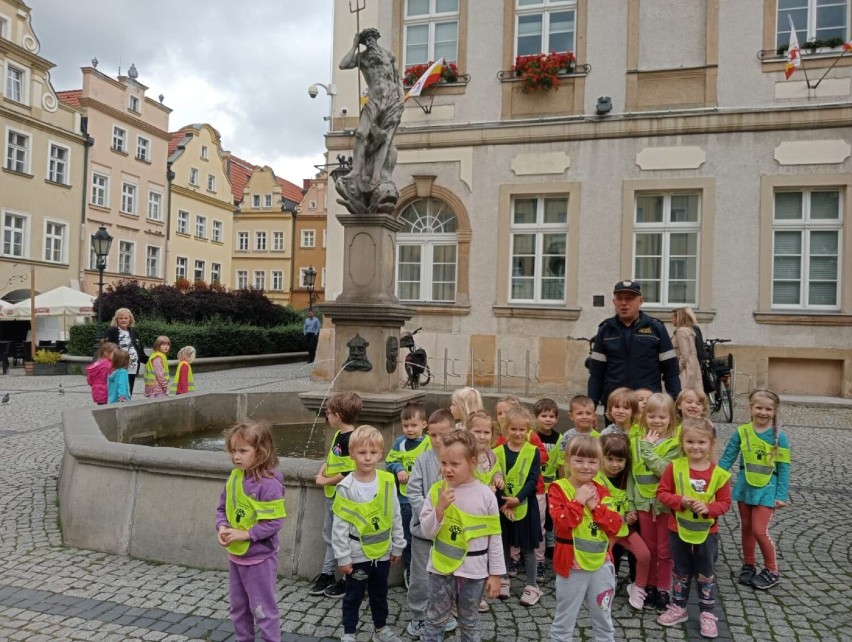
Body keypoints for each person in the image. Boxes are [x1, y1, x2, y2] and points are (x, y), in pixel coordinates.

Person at [420, 429, 506, 642]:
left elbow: (494, 537)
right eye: (444, 463)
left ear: (472, 462)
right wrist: (439, 509)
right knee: (435, 618)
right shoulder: (436, 491)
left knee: (469, 620)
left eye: (454, 464)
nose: (447, 469)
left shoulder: (486, 495)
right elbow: (427, 531)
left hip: (474, 572)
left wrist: (495, 574)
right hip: (440, 569)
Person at [656, 417, 732, 638]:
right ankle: (679, 607)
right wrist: (680, 501)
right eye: (690, 442)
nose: (695, 447)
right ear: (682, 443)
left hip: (707, 533)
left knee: (705, 572)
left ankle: (707, 613)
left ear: (711, 445)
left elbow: (725, 503)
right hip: (677, 529)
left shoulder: (719, 474)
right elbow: (662, 493)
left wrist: (708, 508)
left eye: (701, 442)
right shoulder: (675, 467)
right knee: (680, 570)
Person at [332, 425, 405, 642]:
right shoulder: (346, 486)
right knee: (353, 596)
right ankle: (349, 633)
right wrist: (343, 557)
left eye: (373, 453)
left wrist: (398, 545)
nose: (368, 458)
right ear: (352, 453)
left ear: (380, 453)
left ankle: (380, 629)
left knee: (379, 595)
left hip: (382, 553)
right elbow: (340, 527)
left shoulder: (387, 481)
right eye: (362, 453)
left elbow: (395, 515)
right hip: (357, 554)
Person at [215, 420, 286, 642]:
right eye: (233, 451)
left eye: (243, 451)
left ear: (261, 452)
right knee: (238, 608)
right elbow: (222, 508)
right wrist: (222, 527)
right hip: (237, 556)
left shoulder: (269, 484)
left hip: (260, 560)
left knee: (263, 610)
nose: (236, 456)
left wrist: (246, 534)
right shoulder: (235, 477)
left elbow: (274, 522)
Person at [548, 435, 622, 642]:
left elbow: (615, 525)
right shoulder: (558, 488)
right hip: (572, 567)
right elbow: (562, 523)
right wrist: (578, 501)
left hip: (601, 565)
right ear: (568, 461)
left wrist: (594, 507)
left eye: (592, 461)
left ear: (599, 464)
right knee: (565, 619)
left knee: (603, 618)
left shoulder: (602, 490)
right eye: (579, 460)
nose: (586, 466)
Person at [719, 388, 790, 591]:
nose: (763, 412)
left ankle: (772, 570)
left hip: (768, 489)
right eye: (759, 407)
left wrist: (781, 495)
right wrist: (713, 479)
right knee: (747, 528)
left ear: (775, 411)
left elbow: (784, 468)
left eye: (768, 409)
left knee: (759, 530)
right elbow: (727, 459)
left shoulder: (779, 437)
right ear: (751, 408)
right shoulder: (742, 432)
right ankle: (749, 564)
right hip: (745, 487)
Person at [336, 28, 405, 216]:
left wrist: (401, 100)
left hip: (391, 101)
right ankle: (356, 171)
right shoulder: (363, 58)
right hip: (374, 100)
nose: (371, 41)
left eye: (373, 38)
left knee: (386, 141)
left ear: (377, 38)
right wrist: (354, 45)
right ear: (364, 41)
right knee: (361, 134)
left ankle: (376, 177)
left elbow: (397, 79)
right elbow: (343, 64)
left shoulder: (388, 55)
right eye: (367, 39)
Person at [405, 409, 459, 637]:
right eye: (433, 435)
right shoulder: (423, 459)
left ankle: (443, 613)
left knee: (447, 576)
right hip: (423, 534)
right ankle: (419, 615)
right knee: (420, 578)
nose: (438, 440)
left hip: (449, 532)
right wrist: (427, 516)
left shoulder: (459, 459)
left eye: (443, 434)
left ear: (454, 432)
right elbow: (413, 490)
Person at [588, 280, 681, 409]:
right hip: (616, 404)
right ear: (614, 302)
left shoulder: (656, 329)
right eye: (619, 298)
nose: (624, 303)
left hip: (647, 404)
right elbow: (596, 373)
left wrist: (675, 403)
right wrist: (591, 405)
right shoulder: (605, 330)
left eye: (629, 298)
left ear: (641, 301)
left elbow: (671, 371)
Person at [630, 392, 680, 611]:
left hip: (664, 505)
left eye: (662, 417)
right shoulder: (635, 442)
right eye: (651, 416)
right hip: (642, 503)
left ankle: (663, 588)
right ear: (644, 417)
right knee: (649, 549)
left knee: (664, 550)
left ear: (671, 418)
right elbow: (632, 477)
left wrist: (648, 449)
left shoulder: (675, 445)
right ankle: (648, 586)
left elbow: (663, 471)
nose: (656, 421)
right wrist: (631, 504)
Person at [311, 392, 362, 599]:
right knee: (331, 534)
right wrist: (323, 469)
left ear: (339, 415)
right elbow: (332, 457)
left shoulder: (352, 439)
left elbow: (351, 471)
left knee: (341, 536)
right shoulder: (339, 435)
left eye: (328, 413)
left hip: (342, 495)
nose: (327, 416)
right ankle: (327, 573)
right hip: (332, 493)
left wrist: (325, 480)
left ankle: (342, 576)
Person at [494, 406, 543, 606]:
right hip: (503, 505)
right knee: (504, 543)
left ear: (528, 430)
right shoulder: (497, 452)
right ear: (506, 429)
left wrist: (518, 499)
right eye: (513, 429)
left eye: (522, 429)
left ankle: (532, 585)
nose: (518, 433)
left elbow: (533, 479)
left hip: (525, 504)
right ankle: (504, 577)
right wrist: (505, 500)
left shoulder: (533, 452)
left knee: (528, 546)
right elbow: (495, 477)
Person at [596, 433, 650, 611]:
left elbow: (629, 499)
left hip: (624, 528)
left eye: (620, 459)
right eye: (609, 459)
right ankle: (600, 588)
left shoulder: (627, 477)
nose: (614, 464)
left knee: (644, 555)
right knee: (603, 561)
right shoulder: (596, 479)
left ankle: (638, 586)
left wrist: (630, 513)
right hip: (604, 531)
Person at [385, 402, 430, 587]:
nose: (409, 429)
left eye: (413, 425)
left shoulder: (428, 442)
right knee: (408, 537)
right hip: (405, 498)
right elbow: (390, 460)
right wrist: (398, 468)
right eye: (406, 426)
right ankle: (410, 570)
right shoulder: (400, 442)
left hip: (425, 497)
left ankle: (426, 571)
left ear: (424, 424)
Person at [534, 398, 561, 561]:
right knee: (538, 517)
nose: (548, 419)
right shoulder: (532, 436)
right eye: (544, 416)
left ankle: (550, 545)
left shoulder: (560, 438)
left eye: (551, 416)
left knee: (550, 517)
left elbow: (560, 463)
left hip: (552, 485)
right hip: (537, 484)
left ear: (556, 419)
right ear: (536, 417)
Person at [104, 308, 147, 397]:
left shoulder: (134, 332)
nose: (123, 320)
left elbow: (139, 350)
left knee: (128, 391)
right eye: (121, 318)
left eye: (126, 318)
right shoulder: (112, 331)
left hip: (132, 367)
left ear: (130, 319)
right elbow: (106, 348)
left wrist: (149, 360)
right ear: (116, 320)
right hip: (118, 367)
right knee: (119, 391)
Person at [671, 307, 703, 393]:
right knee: (694, 392)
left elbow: (684, 353)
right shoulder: (689, 330)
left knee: (683, 392)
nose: (671, 320)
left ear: (678, 318)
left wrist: (679, 368)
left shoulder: (681, 332)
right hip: (693, 364)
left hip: (686, 366)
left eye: (673, 317)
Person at [86, 340, 117, 405]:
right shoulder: (110, 365)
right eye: (115, 354)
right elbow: (113, 379)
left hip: (96, 391)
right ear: (106, 353)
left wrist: (96, 385)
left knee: (101, 408)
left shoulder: (96, 364)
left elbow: (89, 380)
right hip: (107, 391)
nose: (116, 356)